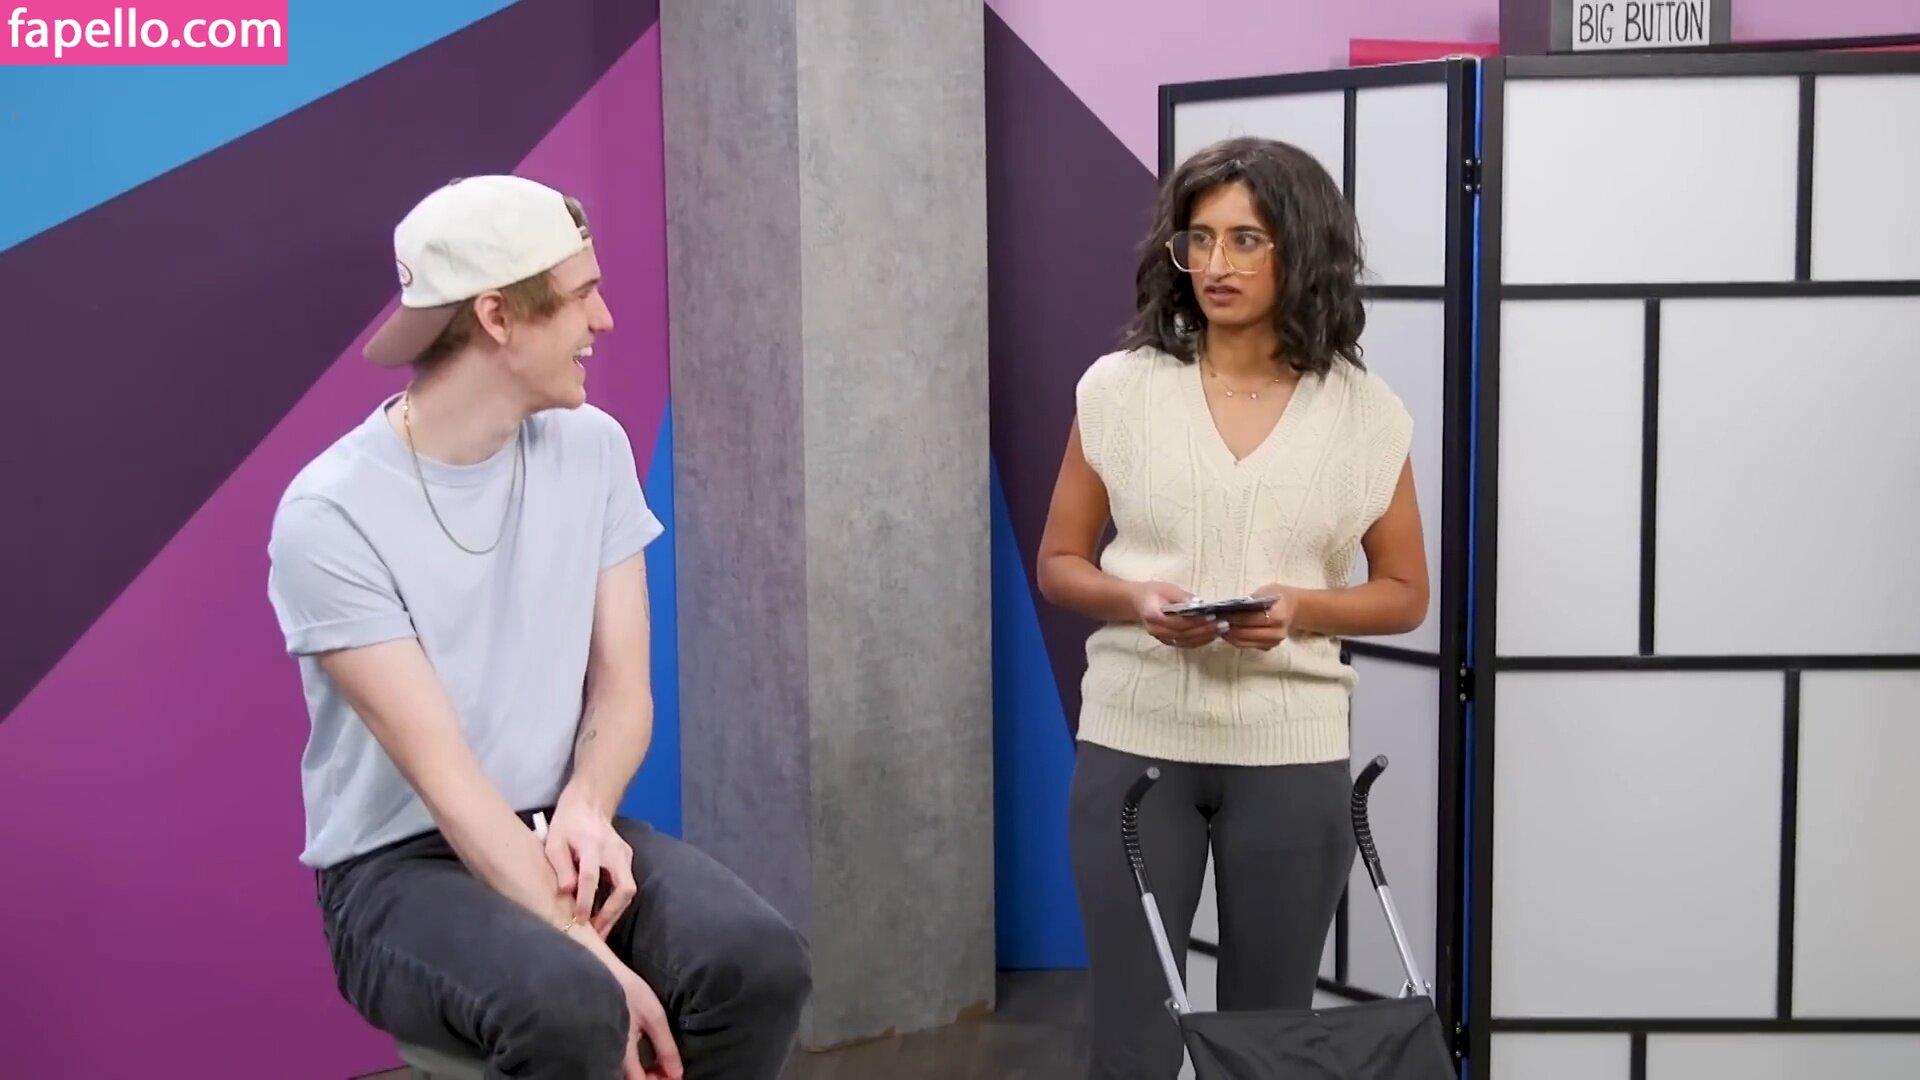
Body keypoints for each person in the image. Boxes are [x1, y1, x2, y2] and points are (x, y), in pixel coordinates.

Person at [265, 175, 811, 1080]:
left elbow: (623, 690)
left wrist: (588, 806)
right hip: (395, 870)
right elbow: (444, 777)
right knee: (572, 1004)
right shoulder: (330, 515)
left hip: (555, 823)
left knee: (757, 964)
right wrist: (585, 947)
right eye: (581, 295)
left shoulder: (593, 448)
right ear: (497, 317)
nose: (604, 320)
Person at [1036, 136, 1430, 1078]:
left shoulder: (1366, 413)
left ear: (1303, 247)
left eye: (1246, 239)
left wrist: (1301, 608)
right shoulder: (1119, 391)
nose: (1216, 263)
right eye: (1199, 239)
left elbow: (1406, 594)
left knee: (1270, 1040)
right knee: (1131, 1041)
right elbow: (1058, 562)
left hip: (1290, 750)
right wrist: (1135, 597)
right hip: (1135, 744)